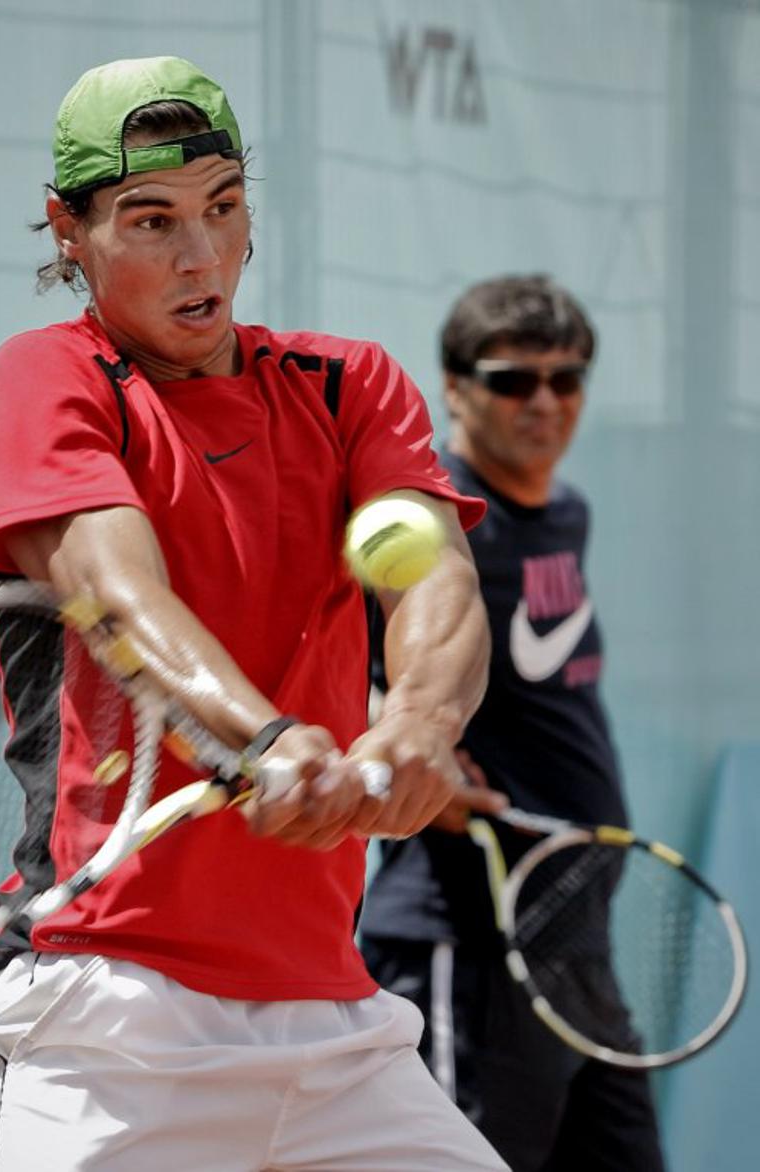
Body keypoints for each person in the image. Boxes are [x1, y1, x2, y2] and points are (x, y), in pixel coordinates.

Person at [0, 57, 508, 1171]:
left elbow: (437, 580)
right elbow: (117, 598)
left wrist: (417, 728)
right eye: (151, 220)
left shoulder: (350, 385)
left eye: (224, 205)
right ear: (68, 230)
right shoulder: (46, 379)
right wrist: (263, 740)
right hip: (101, 1018)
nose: (201, 255)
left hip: (336, 1027)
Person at [360, 274, 666, 1171]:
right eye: (513, 380)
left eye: (566, 379)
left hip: (575, 939)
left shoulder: (565, 513)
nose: (544, 402)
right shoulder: (425, 517)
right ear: (455, 388)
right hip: (467, 944)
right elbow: (327, 673)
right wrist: (412, 744)